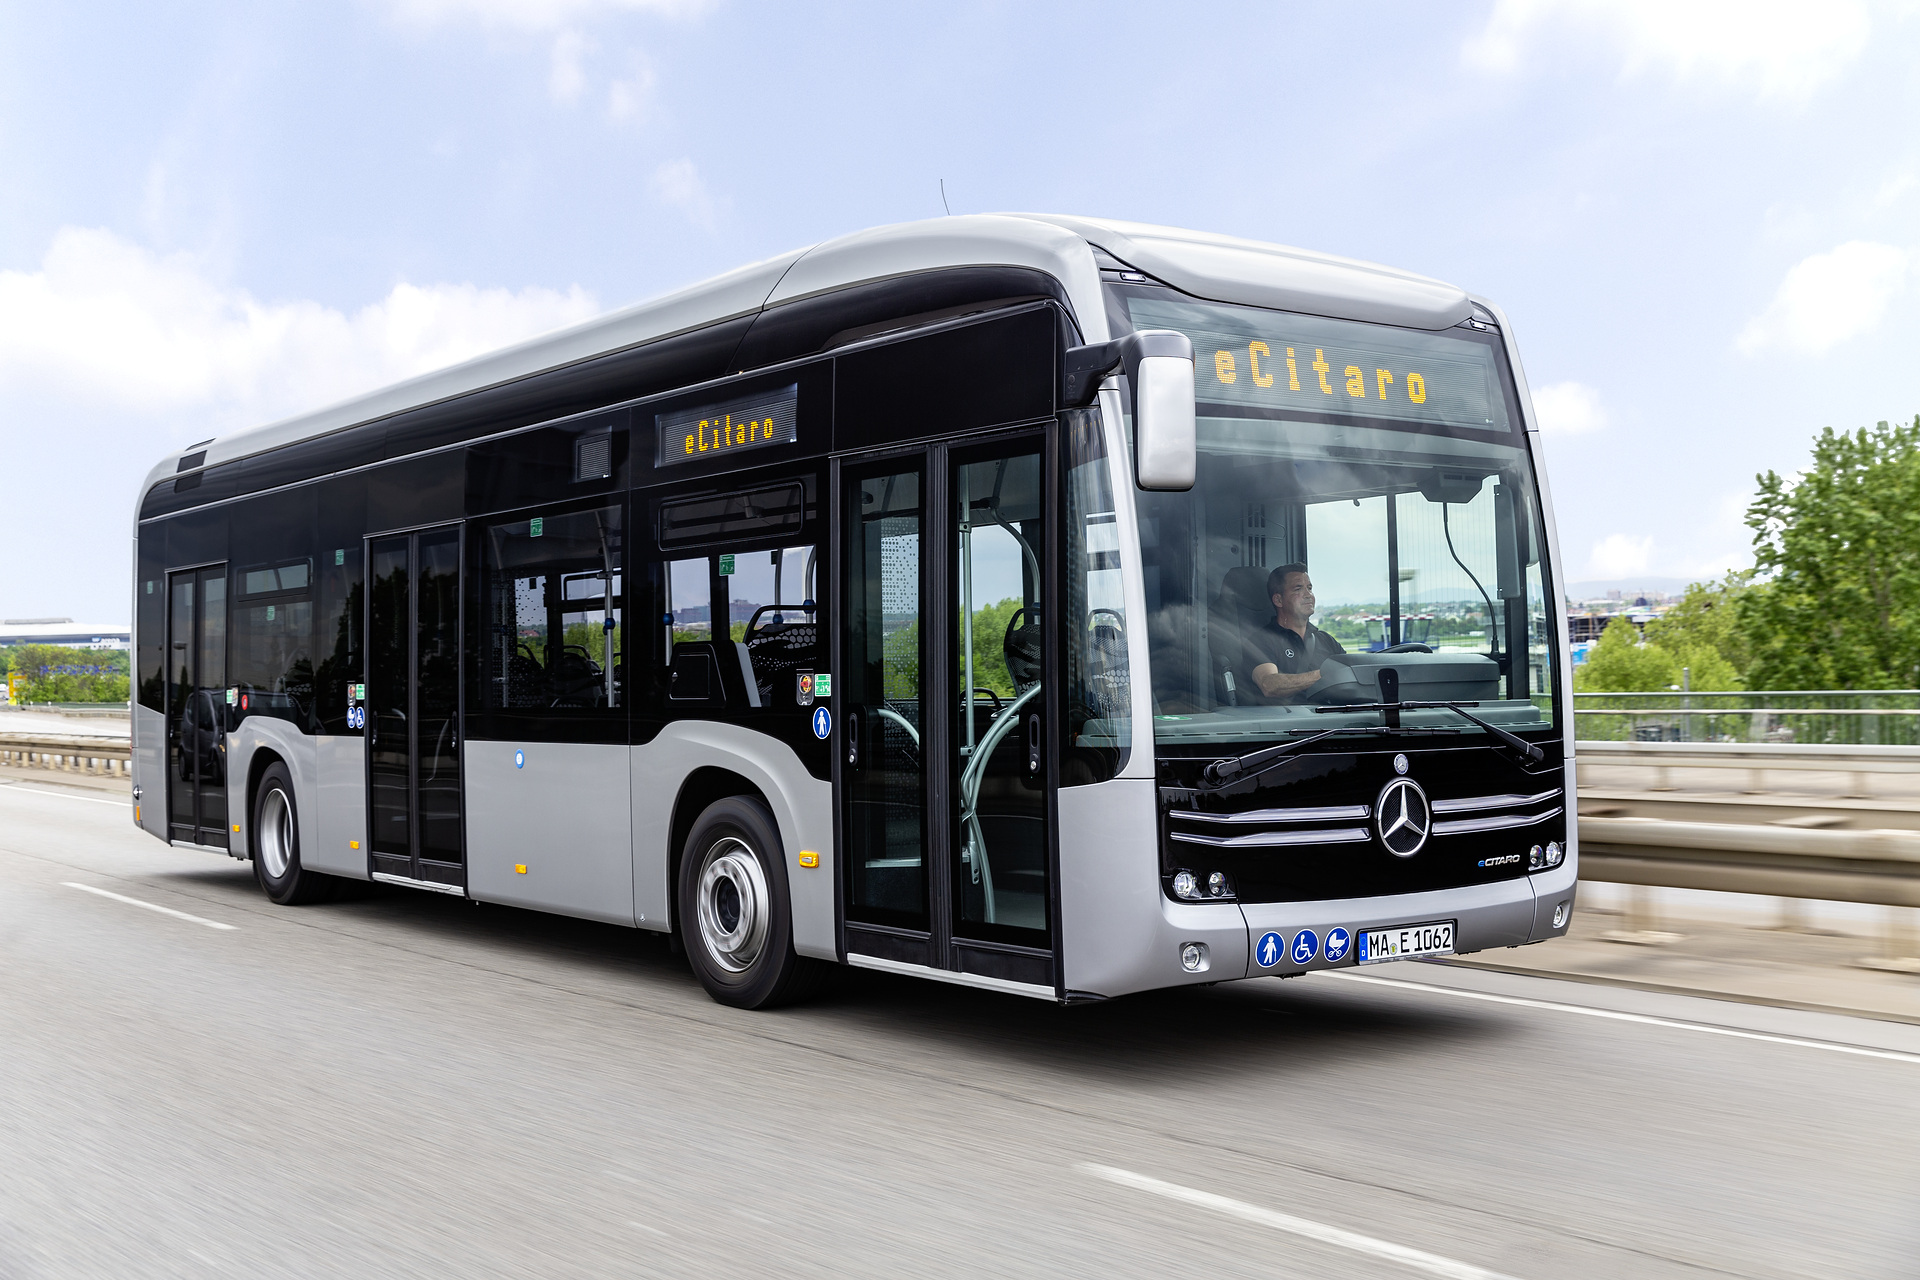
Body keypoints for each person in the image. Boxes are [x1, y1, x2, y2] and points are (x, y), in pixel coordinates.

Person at [1244, 563, 1345, 702]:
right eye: (1298, 589)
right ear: (1278, 600)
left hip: (1328, 720)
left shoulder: (1326, 640)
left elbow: (1350, 671)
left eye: (1309, 588)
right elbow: (1269, 684)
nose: (1308, 595)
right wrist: (1325, 674)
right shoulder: (1261, 641)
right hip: (1287, 721)